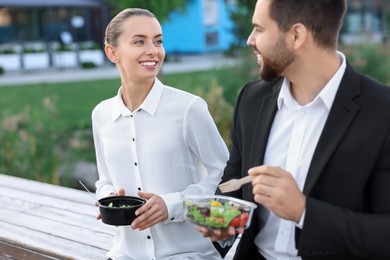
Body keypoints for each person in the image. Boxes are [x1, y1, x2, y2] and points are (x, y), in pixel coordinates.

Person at [197, 0, 390, 259]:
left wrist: (303, 211)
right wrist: (222, 222)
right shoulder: (252, 99)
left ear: (296, 35)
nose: (250, 39)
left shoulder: (382, 111)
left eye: (259, 29)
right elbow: (231, 184)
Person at [92, 8, 229, 260]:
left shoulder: (189, 108)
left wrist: (173, 204)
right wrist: (106, 197)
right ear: (112, 53)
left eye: (158, 41)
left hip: (188, 253)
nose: (153, 50)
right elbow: (104, 179)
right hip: (125, 253)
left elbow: (225, 178)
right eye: (139, 41)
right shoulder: (101, 114)